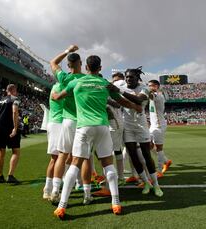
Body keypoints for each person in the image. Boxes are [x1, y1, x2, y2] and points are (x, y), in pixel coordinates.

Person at [53, 55, 142, 219]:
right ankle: (116, 203)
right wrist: (136, 107)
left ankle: (62, 206)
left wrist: (55, 96)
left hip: (84, 127)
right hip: (102, 127)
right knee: (108, 164)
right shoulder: (105, 84)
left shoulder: (75, 82)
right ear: (100, 68)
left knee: (75, 165)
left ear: (86, 67)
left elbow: (57, 97)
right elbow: (122, 102)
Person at [108, 67, 163, 197]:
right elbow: (115, 98)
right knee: (133, 155)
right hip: (127, 126)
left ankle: (155, 184)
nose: (128, 79)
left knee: (146, 155)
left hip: (141, 125)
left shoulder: (144, 88)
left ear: (137, 78)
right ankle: (146, 183)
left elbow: (138, 100)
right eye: (126, 77)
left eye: (131, 77)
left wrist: (119, 91)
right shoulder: (122, 86)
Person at [49, 45, 90, 203]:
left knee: (62, 155)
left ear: (68, 65)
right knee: (85, 157)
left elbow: (53, 62)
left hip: (67, 121)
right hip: (82, 121)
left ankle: (55, 190)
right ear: (81, 63)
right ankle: (86, 193)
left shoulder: (64, 78)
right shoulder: (85, 79)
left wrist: (67, 51)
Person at [0, 84, 21, 184]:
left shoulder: (0, 101)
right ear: (14, 90)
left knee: (1, 153)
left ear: (7, 91)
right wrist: (15, 128)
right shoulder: (15, 99)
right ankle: (10, 175)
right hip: (10, 128)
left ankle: (0, 177)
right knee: (16, 151)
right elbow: (15, 112)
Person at [42, 81, 64, 200]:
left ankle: (53, 186)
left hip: (56, 123)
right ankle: (48, 188)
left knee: (59, 158)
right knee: (56, 158)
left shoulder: (56, 86)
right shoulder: (60, 86)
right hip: (58, 124)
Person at [148, 80, 172, 175]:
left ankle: (159, 170)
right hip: (153, 125)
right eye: (148, 85)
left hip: (159, 125)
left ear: (157, 86)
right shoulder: (155, 94)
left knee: (159, 148)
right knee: (148, 145)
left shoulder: (159, 95)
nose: (149, 87)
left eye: (151, 85)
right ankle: (166, 161)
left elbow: (149, 95)